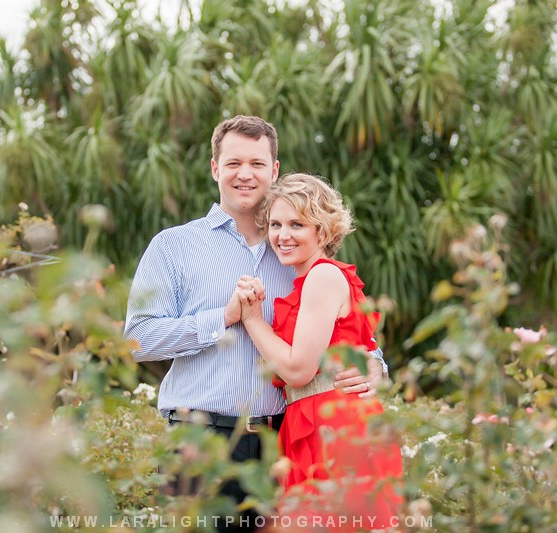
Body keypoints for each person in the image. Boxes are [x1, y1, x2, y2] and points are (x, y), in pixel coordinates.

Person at [124, 116, 387, 531]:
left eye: (257, 164)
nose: (245, 174)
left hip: (282, 445)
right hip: (199, 443)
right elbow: (136, 340)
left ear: (274, 170)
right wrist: (223, 318)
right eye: (233, 163)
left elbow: (345, 327)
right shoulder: (173, 246)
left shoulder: (296, 247)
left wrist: (376, 366)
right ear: (215, 168)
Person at [232, 173, 403, 530]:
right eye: (276, 224)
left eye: (297, 224)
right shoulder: (310, 280)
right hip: (312, 420)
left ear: (322, 232)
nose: (283, 235)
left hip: (333, 425)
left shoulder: (322, 277)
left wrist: (252, 319)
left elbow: (298, 370)